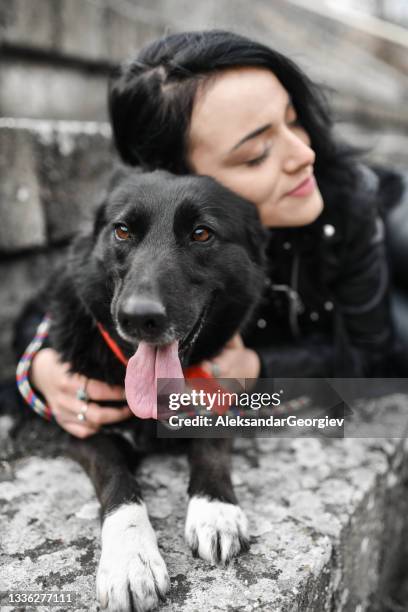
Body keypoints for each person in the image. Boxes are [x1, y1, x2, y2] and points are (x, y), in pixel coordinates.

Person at [15, 29, 407, 438]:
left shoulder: (344, 195)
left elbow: (375, 359)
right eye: (255, 155)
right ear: (177, 178)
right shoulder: (140, 221)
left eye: (294, 121)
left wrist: (258, 371)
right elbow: (47, 309)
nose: (304, 155)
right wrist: (40, 370)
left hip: (388, 210)